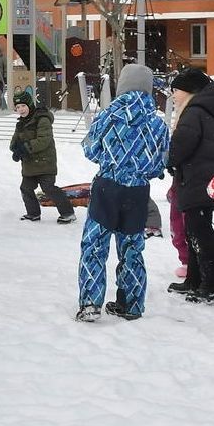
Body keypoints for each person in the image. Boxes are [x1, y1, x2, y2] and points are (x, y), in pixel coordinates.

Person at [75, 64, 169, 322]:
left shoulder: (109, 116)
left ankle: (91, 303)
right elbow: (160, 164)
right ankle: (132, 304)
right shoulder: (158, 124)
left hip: (108, 187)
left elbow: (91, 150)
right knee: (132, 249)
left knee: (94, 246)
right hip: (138, 192)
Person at [166, 67, 214, 303]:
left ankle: (213, 285)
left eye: (177, 90)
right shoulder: (204, 111)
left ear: (190, 91)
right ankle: (195, 279)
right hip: (200, 177)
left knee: (200, 233)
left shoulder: (193, 113)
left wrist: (170, 160)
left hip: (197, 178)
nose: (173, 94)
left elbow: (182, 144)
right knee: (195, 230)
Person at [10, 89, 75, 224]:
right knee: (26, 188)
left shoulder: (42, 119)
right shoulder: (21, 123)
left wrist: (25, 148)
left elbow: (43, 140)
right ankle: (33, 213)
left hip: (45, 162)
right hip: (29, 164)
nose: (21, 110)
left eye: (23, 106)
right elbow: (14, 142)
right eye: (17, 107)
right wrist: (16, 149)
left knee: (48, 188)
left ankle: (68, 213)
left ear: (29, 104)